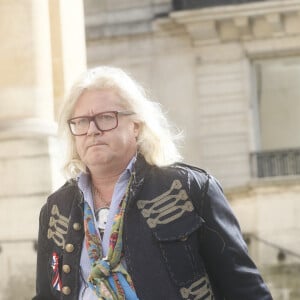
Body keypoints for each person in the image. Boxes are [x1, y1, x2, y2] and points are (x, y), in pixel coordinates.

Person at [33, 66, 273, 300]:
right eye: (82, 122)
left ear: (135, 125)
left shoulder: (192, 189)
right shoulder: (56, 208)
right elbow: (47, 294)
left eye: (106, 118)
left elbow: (246, 290)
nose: (92, 130)